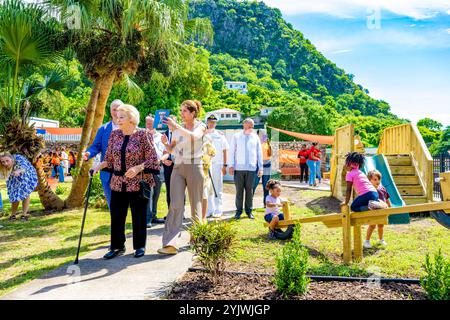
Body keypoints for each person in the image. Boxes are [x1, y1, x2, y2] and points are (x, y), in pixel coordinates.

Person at [92, 104, 160, 259]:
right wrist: (99, 166)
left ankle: (140, 246)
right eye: (117, 116)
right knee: (116, 215)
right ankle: (117, 246)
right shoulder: (114, 135)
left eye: (121, 116)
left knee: (139, 215)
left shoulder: (143, 135)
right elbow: (108, 159)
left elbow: (152, 159)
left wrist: (137, 168)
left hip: (138, 182)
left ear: (131, 119)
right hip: (117, 182)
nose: (117, 119)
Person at [158, 100, 207, 255]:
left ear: (193, 113)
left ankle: (197, 238)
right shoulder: (177, 129)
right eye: (181, 110)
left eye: (185, 111)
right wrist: (166, 145)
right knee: (176, 204)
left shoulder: (201, 126)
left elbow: (194, 137)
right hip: (178, 167)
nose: (181, 113)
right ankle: (170, 244)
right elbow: (172, 150)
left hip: (194, 166)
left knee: (195, 204)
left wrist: (176, 127)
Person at [84, 99, 123, 208]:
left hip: (124, 173)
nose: (116, 112)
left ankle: (120, 224)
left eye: (119, 109)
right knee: (112, 204)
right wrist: (88, 153)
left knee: (121, 204)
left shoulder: (128, 129)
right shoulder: (103, 128)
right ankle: (116, 224)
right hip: (107, 174)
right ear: (110, 111)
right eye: (114, 110)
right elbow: (96, 146)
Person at [229, 118, 263, 220]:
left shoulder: (255, 137)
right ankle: (238, 211)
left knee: (250, 191)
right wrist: (231, 165)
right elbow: (232, 152)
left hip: (251, 168)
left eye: (252, 126)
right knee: (239, 191)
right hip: (238, 168)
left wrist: (260, 168)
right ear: (244, 125)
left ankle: (249, 211)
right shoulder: (236, 136)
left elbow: (259, 153)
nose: (251, 128)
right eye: (249, 126)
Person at [0, 152, 38, 221]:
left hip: (26, 173)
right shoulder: (3, 165)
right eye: (3, 162)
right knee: (14, 194)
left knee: (25, 193)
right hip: (13, 174)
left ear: (11, 159)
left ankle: (24, 215)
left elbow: (24, 167)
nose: (5, 163)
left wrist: (19, 171)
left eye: (7, 161)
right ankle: (13, 215)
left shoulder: (19, 158)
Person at [205, 114, 229, 218]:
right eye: (210, 121)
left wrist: (224, 165)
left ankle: (219, 209)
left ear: (216, 123)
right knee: (208, 188)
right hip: (206, 165)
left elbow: (225, 150)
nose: (212, 123)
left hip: (217, 165)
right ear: (207, 122)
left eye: (214, 122)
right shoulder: (203, 134)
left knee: (218, 187)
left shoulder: (220, 135)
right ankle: (210, 209)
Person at [145, 115, 166, 228]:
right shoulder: (142, 135)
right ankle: (147, 219)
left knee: (157, 192)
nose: (149, 125)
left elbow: (164, 151)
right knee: (149, 192)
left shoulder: (160, 136)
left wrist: (161, 160)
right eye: (147, 123)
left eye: (151, 123)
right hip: (147, 167)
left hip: (158, 167)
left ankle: (153, 216)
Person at [364, 170, 390, 248]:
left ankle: (381, 239)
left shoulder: (382, 188)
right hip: (373, 211)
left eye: (379, 179)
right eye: (375, 179)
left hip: (382, 211)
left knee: (381, 225)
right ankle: (367, 241)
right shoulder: (369, 190)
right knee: (372, 226)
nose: (377, 181)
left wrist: (389, 207)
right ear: (369, 180)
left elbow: (387, 198)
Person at [252, 130, 272, 207]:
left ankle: (266, 203)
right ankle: (249, 203)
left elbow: (269, 154)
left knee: (266, 185)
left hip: (267, 164)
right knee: (254, 184)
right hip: (258, 165)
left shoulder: (266, 143)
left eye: (263, 135)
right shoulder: (255, 142)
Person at [162, 115, 177, 210]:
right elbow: (162, 150)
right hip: (167, 164)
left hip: (178, 164)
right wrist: (164, 160)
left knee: (179, 189)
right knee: (169, 188)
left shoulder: (180, 134)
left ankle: (181, 212)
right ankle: (170, 211)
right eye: (168, 122)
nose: (170, 124)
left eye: (172, 122)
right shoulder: (163, 135)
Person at [201, 134, 216, 222]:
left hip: (205, 172)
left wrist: (206, 160)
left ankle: (203, 217)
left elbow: (213, 153)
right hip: (192, 171)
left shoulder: (208, 141)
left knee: (204, 194)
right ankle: (196, 216)